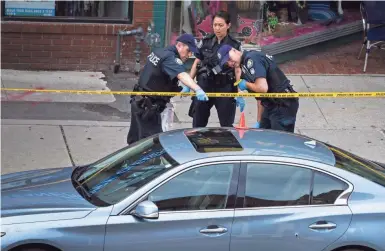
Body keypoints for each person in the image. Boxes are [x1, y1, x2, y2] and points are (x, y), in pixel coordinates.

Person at [127, 34, 209, 145]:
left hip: (139, 102)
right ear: (179, 45)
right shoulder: (170, 57)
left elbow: (157, 76)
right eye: (188, 50)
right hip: (148, 107)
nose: (190, 55)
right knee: (152, 145)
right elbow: (181, 75)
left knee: (136, 142)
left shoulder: (160, 52)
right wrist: (197, 88)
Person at [216, 44, 299, 133]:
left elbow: (262, 88)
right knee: (262, 136)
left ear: (234, 50)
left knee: (281, 142)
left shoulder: (252, 59)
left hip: (283, 104)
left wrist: (246, 85)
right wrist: (259, 121)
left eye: (229, 59)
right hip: (270, 104)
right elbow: (260, 97)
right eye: (227, 63)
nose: (230, 63)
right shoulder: (244, 67)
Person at [184, 10, 245, 128]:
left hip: (225, 87)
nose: (217, 28)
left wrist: (239, 91)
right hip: (205, 86)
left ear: (228, 25)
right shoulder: (206, 42)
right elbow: (197, 61)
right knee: (198, 123)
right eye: (215, 25)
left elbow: (238, 69)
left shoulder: (235, 45)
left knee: (226, 125)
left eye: (221, 25)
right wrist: (189, 84)